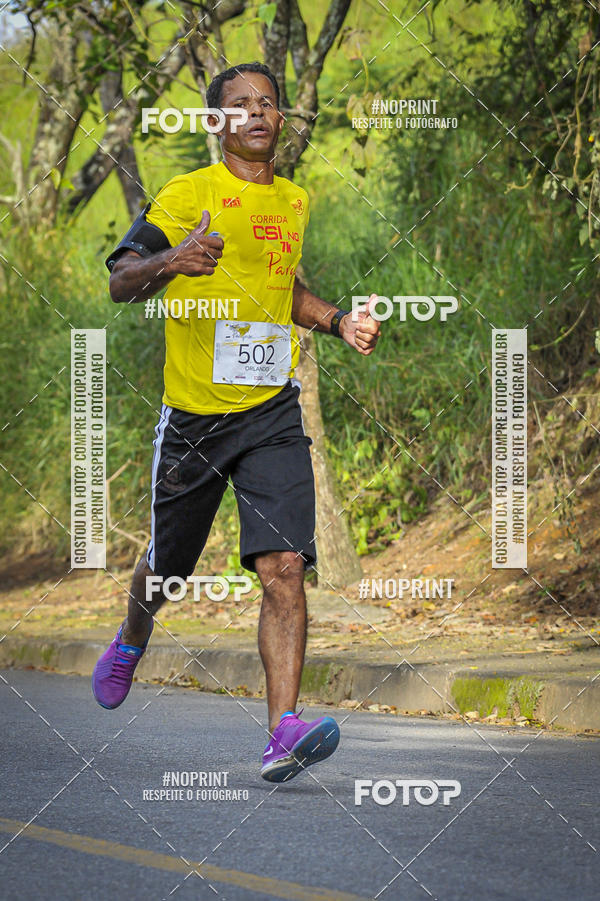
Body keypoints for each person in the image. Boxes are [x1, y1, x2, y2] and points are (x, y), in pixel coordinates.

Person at [92, 61, 381, 783]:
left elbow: (283, 292)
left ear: (281, 120)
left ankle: (284, 730)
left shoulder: (294, 199)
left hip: (270, 411)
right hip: (193, 418)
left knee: (284, 566)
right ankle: (132, 636)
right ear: (218, 122)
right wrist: (173, 260)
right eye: (240, 105)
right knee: (167, 569)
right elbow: (120, 278)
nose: (256, 112)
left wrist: (337, 320)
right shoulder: (189, 192)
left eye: (268, 103)